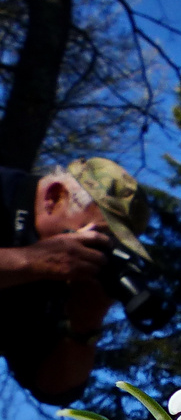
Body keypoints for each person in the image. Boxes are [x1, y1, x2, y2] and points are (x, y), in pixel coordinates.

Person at [0, 158, 151, 404]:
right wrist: (28, 261)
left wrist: (84, 325)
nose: (95, 253)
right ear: (55, 197)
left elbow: (54, 389)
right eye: (95, 237)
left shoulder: (59, 281)